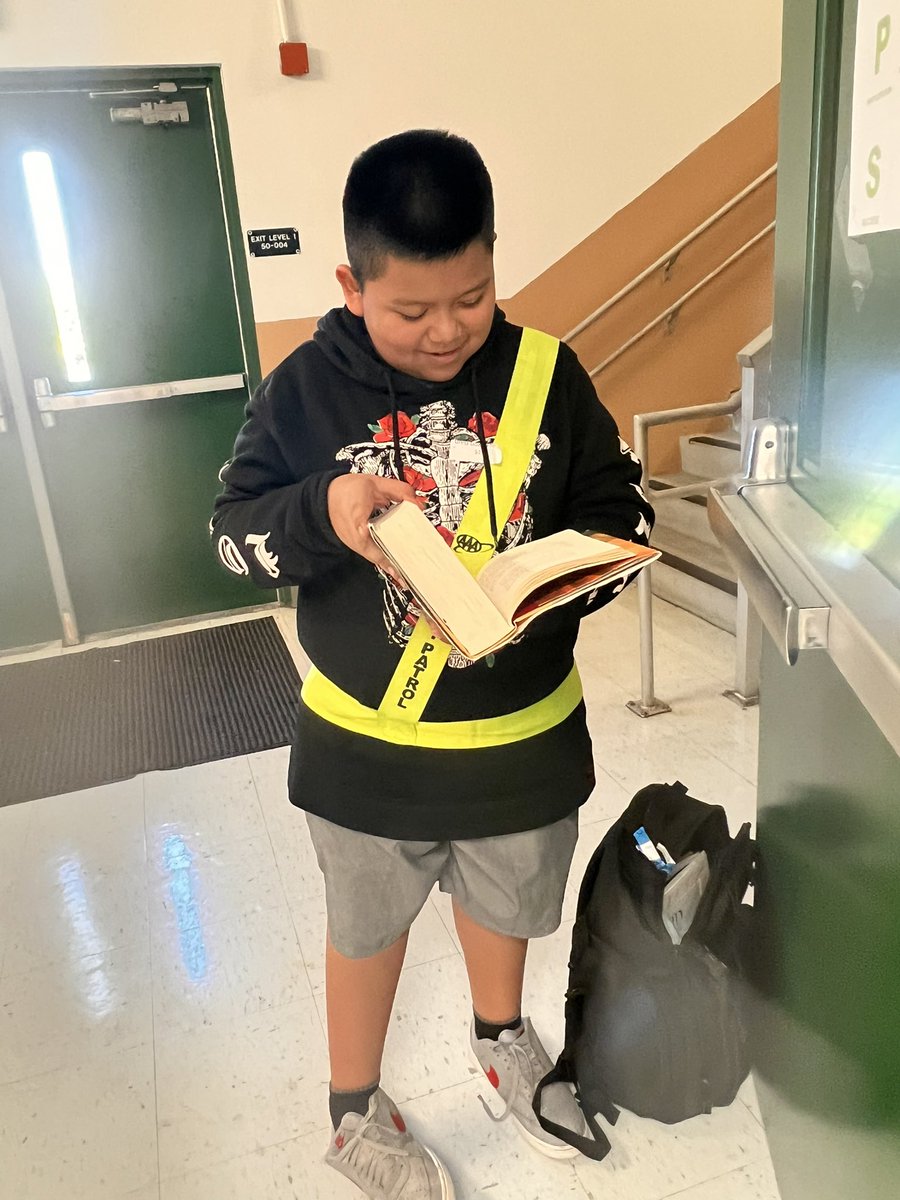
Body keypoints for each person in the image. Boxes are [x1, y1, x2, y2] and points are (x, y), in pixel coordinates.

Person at [211, 129, 654, 1199]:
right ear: (350, 283)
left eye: (475, 295)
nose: (449, 330)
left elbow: (621, 512)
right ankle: (351, 1109)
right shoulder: (304, 392)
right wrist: (325, 508)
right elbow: (232, 534)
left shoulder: (549, 371)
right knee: (365, 928)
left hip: (522, 738)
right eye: (410, 311)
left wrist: (562, 580)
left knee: (507, 904)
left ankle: (502, 1040)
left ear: (494, 260)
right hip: (368, 750)